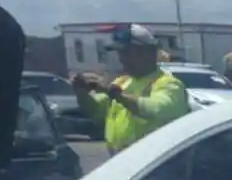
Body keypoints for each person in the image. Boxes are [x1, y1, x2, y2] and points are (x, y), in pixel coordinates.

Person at [71, 24, 191, 156]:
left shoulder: (169, 84)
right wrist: (80, 90)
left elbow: (155, 108)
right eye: (120, 53)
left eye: (128, 52)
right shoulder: (122, 82)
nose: (123, 58)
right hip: (122, 162)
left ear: (148, 52)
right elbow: (96, 111)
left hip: (156, 164)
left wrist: (114, 93)